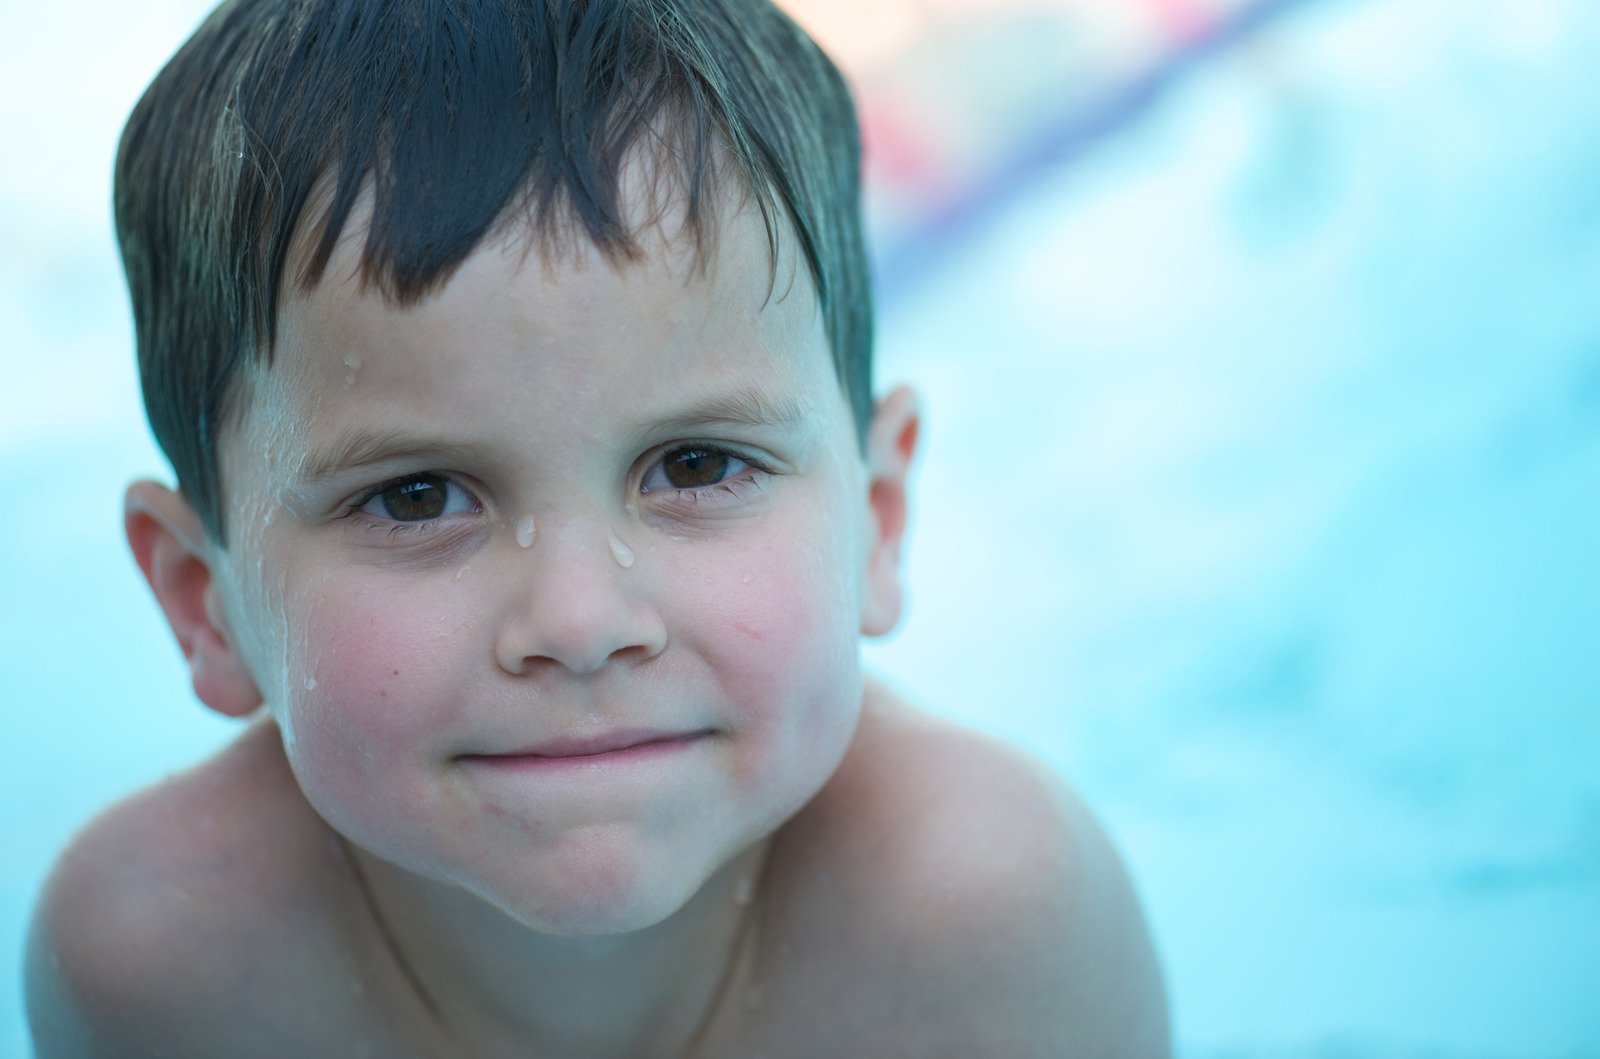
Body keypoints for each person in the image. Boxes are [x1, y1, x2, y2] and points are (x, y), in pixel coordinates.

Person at [24, 0, 1168, 1054]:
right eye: (417, 496)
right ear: (204, 600)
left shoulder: (987, 924)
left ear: (877, 522)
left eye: (696, 466)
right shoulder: (166, 970)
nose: (578, 621)